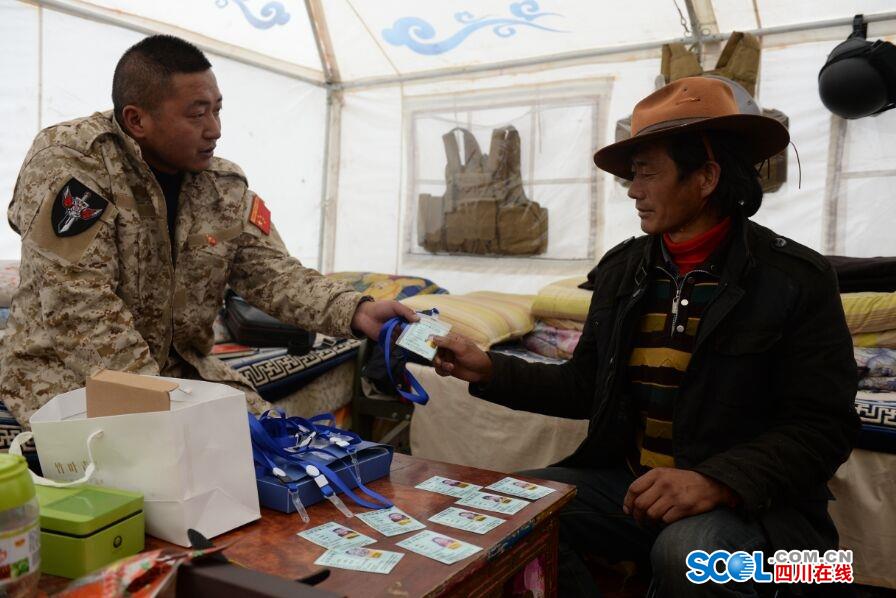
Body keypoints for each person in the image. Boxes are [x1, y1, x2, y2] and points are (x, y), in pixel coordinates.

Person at [432, 77, 859, 596]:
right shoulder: (624, 271)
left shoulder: (796, 279)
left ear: (705, 177)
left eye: (647, 174)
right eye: (632, 176)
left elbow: (823, 426)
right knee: (509, 510)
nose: (633, 191)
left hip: (767, 520)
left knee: (687, 556)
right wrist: (492, 369)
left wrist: (716, 482)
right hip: (633, 490)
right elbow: (588, 385)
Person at [0, 35, 416, 426]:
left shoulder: (221, 186)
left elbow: (274, 273)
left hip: (180, 371)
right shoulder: (73, 163)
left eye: (218, 110)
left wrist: (356, 311)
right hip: (68, 375)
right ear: (136, 119)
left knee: (282, 445)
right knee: (181, 466)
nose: (215, 128)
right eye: (197, 114)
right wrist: (169, 411)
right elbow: (78, 310)